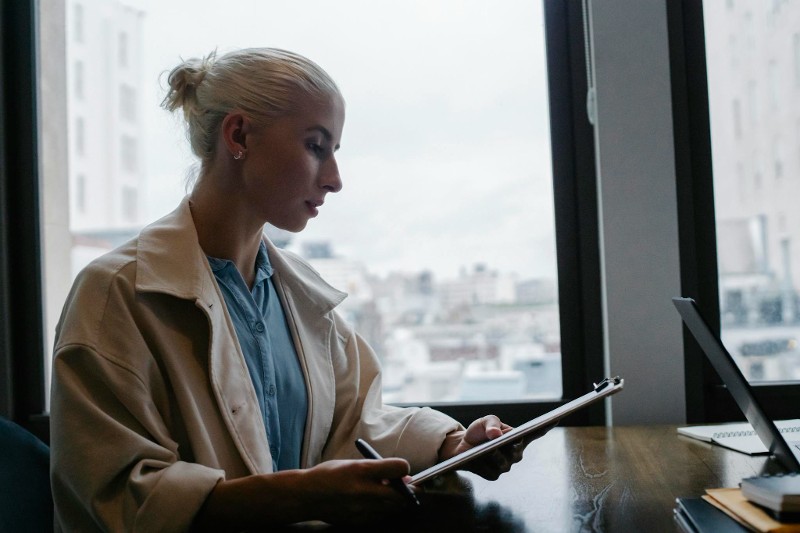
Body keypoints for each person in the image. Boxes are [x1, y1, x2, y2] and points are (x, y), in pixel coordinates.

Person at [50, 47, 528, 532]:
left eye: (334, 152)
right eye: (316, 147)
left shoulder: (298, 295)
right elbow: (120, 498)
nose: (335, 180)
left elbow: (352, 425)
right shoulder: (114, 295)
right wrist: (301, 496)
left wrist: (453, 444)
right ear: (238, 135)